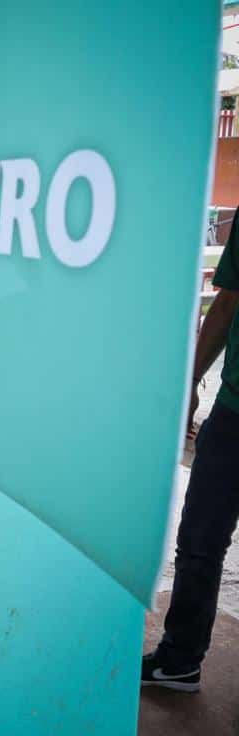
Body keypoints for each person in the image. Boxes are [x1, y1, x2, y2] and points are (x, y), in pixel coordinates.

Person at [142, 220, 239, 692]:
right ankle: (180, 659)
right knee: (200, 539)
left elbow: (227, 304)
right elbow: (227, 302)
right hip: (236, 409)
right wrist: (190, 384)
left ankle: (180, 657)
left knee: (202, 539)